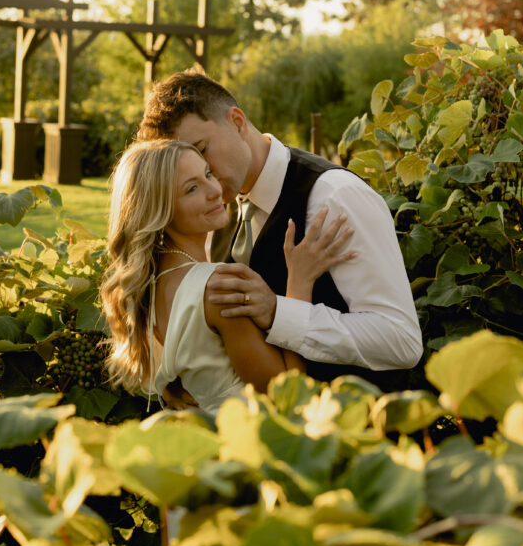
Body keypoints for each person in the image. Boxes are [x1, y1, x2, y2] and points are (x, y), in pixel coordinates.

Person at [138, 70, 423, 388]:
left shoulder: (333, 196)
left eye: (202, 151)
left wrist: (278, 313)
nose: (204, 179)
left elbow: (401, 340)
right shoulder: (217, 211)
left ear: (237, 122)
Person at [100, 138, 355, 415]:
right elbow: (289, 397)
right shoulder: (217, 289)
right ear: (161, 210)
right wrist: (300, 282)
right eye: (191, 188)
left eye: (207, 173)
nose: (214, 190)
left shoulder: (152, 284)